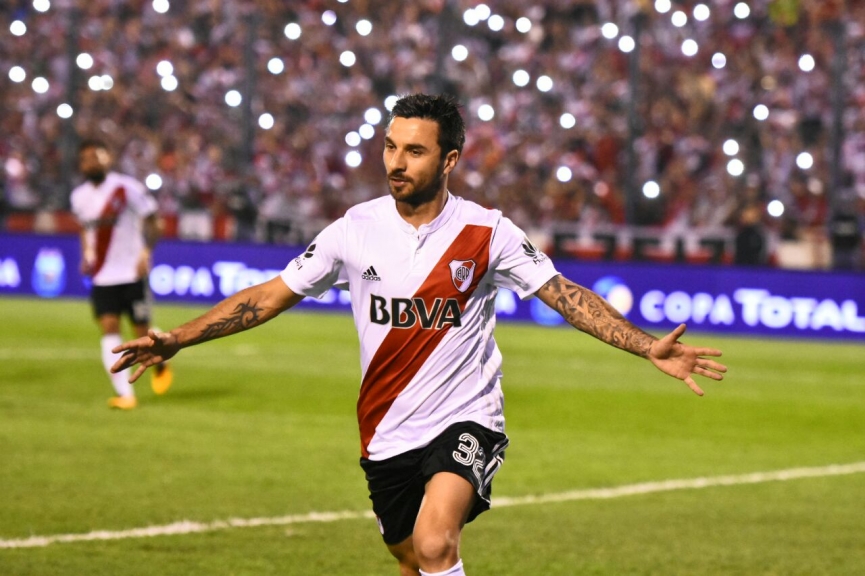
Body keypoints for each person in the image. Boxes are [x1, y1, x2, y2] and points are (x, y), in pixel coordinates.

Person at [111, 94, 726, 575]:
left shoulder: (487, 232)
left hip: (467, 418)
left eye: (413, 151)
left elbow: (564, 295)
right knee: (412, 559)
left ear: (449, 160)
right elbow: (269, 296)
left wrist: (645, 344)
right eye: (390, 147)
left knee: (435, 543)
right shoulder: (354, 229)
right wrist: (178, 338)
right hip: (385, 431)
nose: (395, 163)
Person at [71, 138, 173, 410]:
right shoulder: (78, 197)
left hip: (131, 272)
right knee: (109, 329)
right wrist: (86, 254)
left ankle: (161, 359)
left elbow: (155, 222)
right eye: (85, 159)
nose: (91, 162)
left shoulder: (126, 188)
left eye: (96, 156)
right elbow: (84, 228)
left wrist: (146, 253)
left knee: (142, 333)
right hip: (102, 275)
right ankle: (125, 394)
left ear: (107, 158)